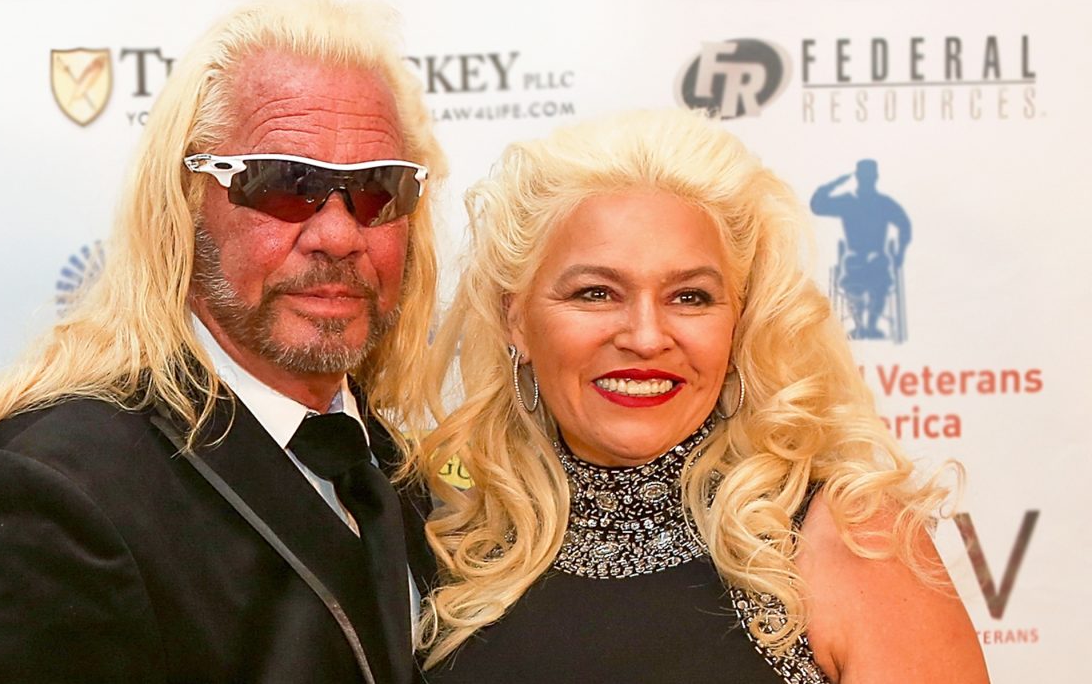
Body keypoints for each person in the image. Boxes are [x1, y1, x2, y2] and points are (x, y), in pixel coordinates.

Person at [0, 0, 444, 682]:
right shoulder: (44, 498)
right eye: (284, 183)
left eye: (377, 189)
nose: (337, 234)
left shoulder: (406, 472)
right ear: (183, 203)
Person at [415, 110, 988, 683]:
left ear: (741, 322)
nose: (644, 336)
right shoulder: (454, 544)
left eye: (689, 297)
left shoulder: (845, 539)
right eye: (596, 293)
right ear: (516, 320)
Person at [810, 159, 912, 340]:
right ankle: (860, 325)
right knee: (852, 286)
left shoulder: (884, 203)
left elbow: (904, 225)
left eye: (870, 176)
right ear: (858, 177)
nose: (867, 180)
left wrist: (900, 252)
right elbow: (817, 205)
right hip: (854, 260)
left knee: (881, 284)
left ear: (875, 177)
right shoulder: (848, 202)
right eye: (864, 176)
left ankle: (870, 326)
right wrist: (837, 183)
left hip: (878, 260)